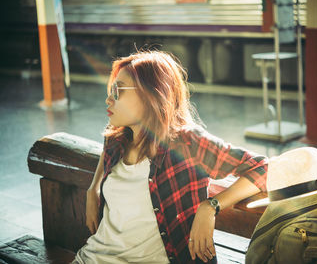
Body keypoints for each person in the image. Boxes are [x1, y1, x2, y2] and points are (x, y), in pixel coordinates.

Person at [71, 50, 268, 264]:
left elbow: (263, 167)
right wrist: (94, 187)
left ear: (151, 95)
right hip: (91, 257)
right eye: (111, 89)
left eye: (118, 91)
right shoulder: (117, 137)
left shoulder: (186, 143)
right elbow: (105, 150)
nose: (109, 99)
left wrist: (211, 206)